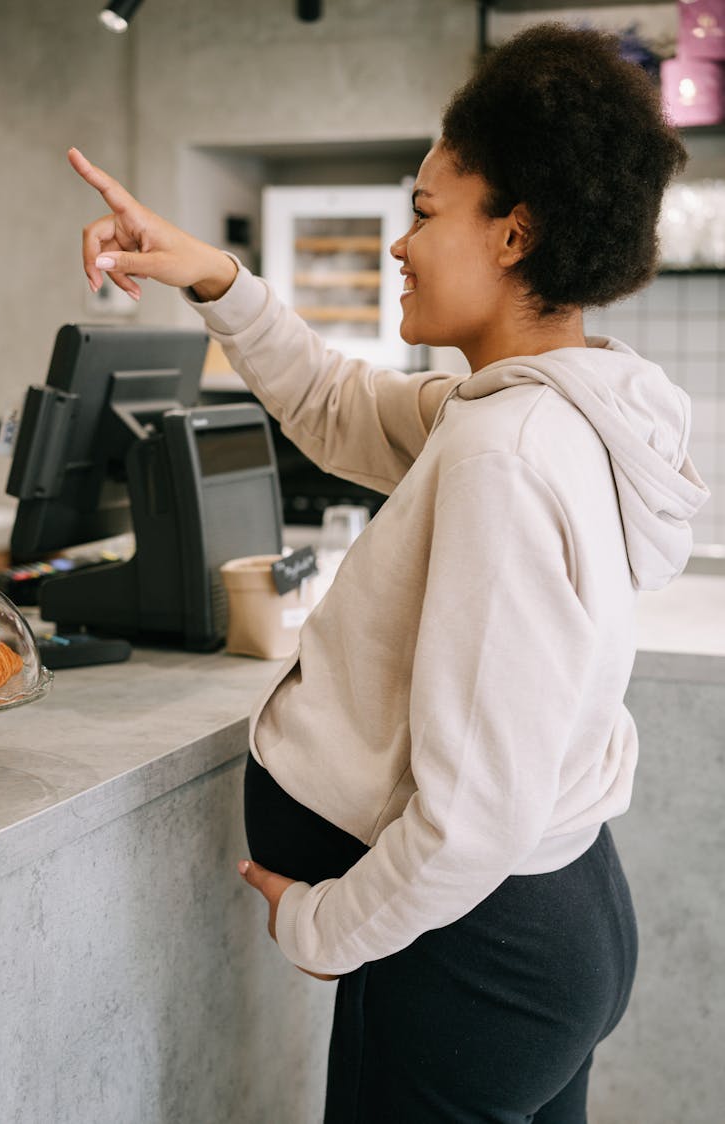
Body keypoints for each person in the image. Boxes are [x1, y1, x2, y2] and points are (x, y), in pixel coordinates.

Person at [69, 23, 709, 1123]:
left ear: (514, 232)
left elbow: (472, 819)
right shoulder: (546, 403)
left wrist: (323, 924)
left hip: (478, 955)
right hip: (548, 925)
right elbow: (338, 406)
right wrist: (216, 277)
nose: (401, 243)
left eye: (425, 209)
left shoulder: (508, 456)